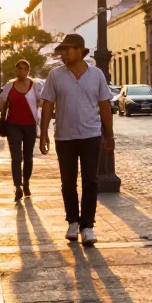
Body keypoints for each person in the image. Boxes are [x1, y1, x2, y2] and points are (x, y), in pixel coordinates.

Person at [38, 33, 114, 246]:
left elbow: (104, 105)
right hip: (65, 137)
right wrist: (43, 133)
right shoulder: (55, 75)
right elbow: (47, 105)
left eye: (68, 49)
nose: (64, 54)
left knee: (90, 180)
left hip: (91, 136)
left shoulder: (96, 74)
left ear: (81, 51)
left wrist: (109, 134)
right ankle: (72, 221)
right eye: (62, 50)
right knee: (68, 182)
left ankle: (87, 226)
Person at [0, 59, 42, 201]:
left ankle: (26, 182)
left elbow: (41, 102)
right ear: (16, 70)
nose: (22, 72)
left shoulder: (35, 85)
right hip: (13, 125)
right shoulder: (10, 86)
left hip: (30, 125)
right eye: (19, 69)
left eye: (25, 69)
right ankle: (18, 186)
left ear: (29, 71)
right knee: (16, 157)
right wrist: (3, 114)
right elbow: (1, 103)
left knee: (28, 156)